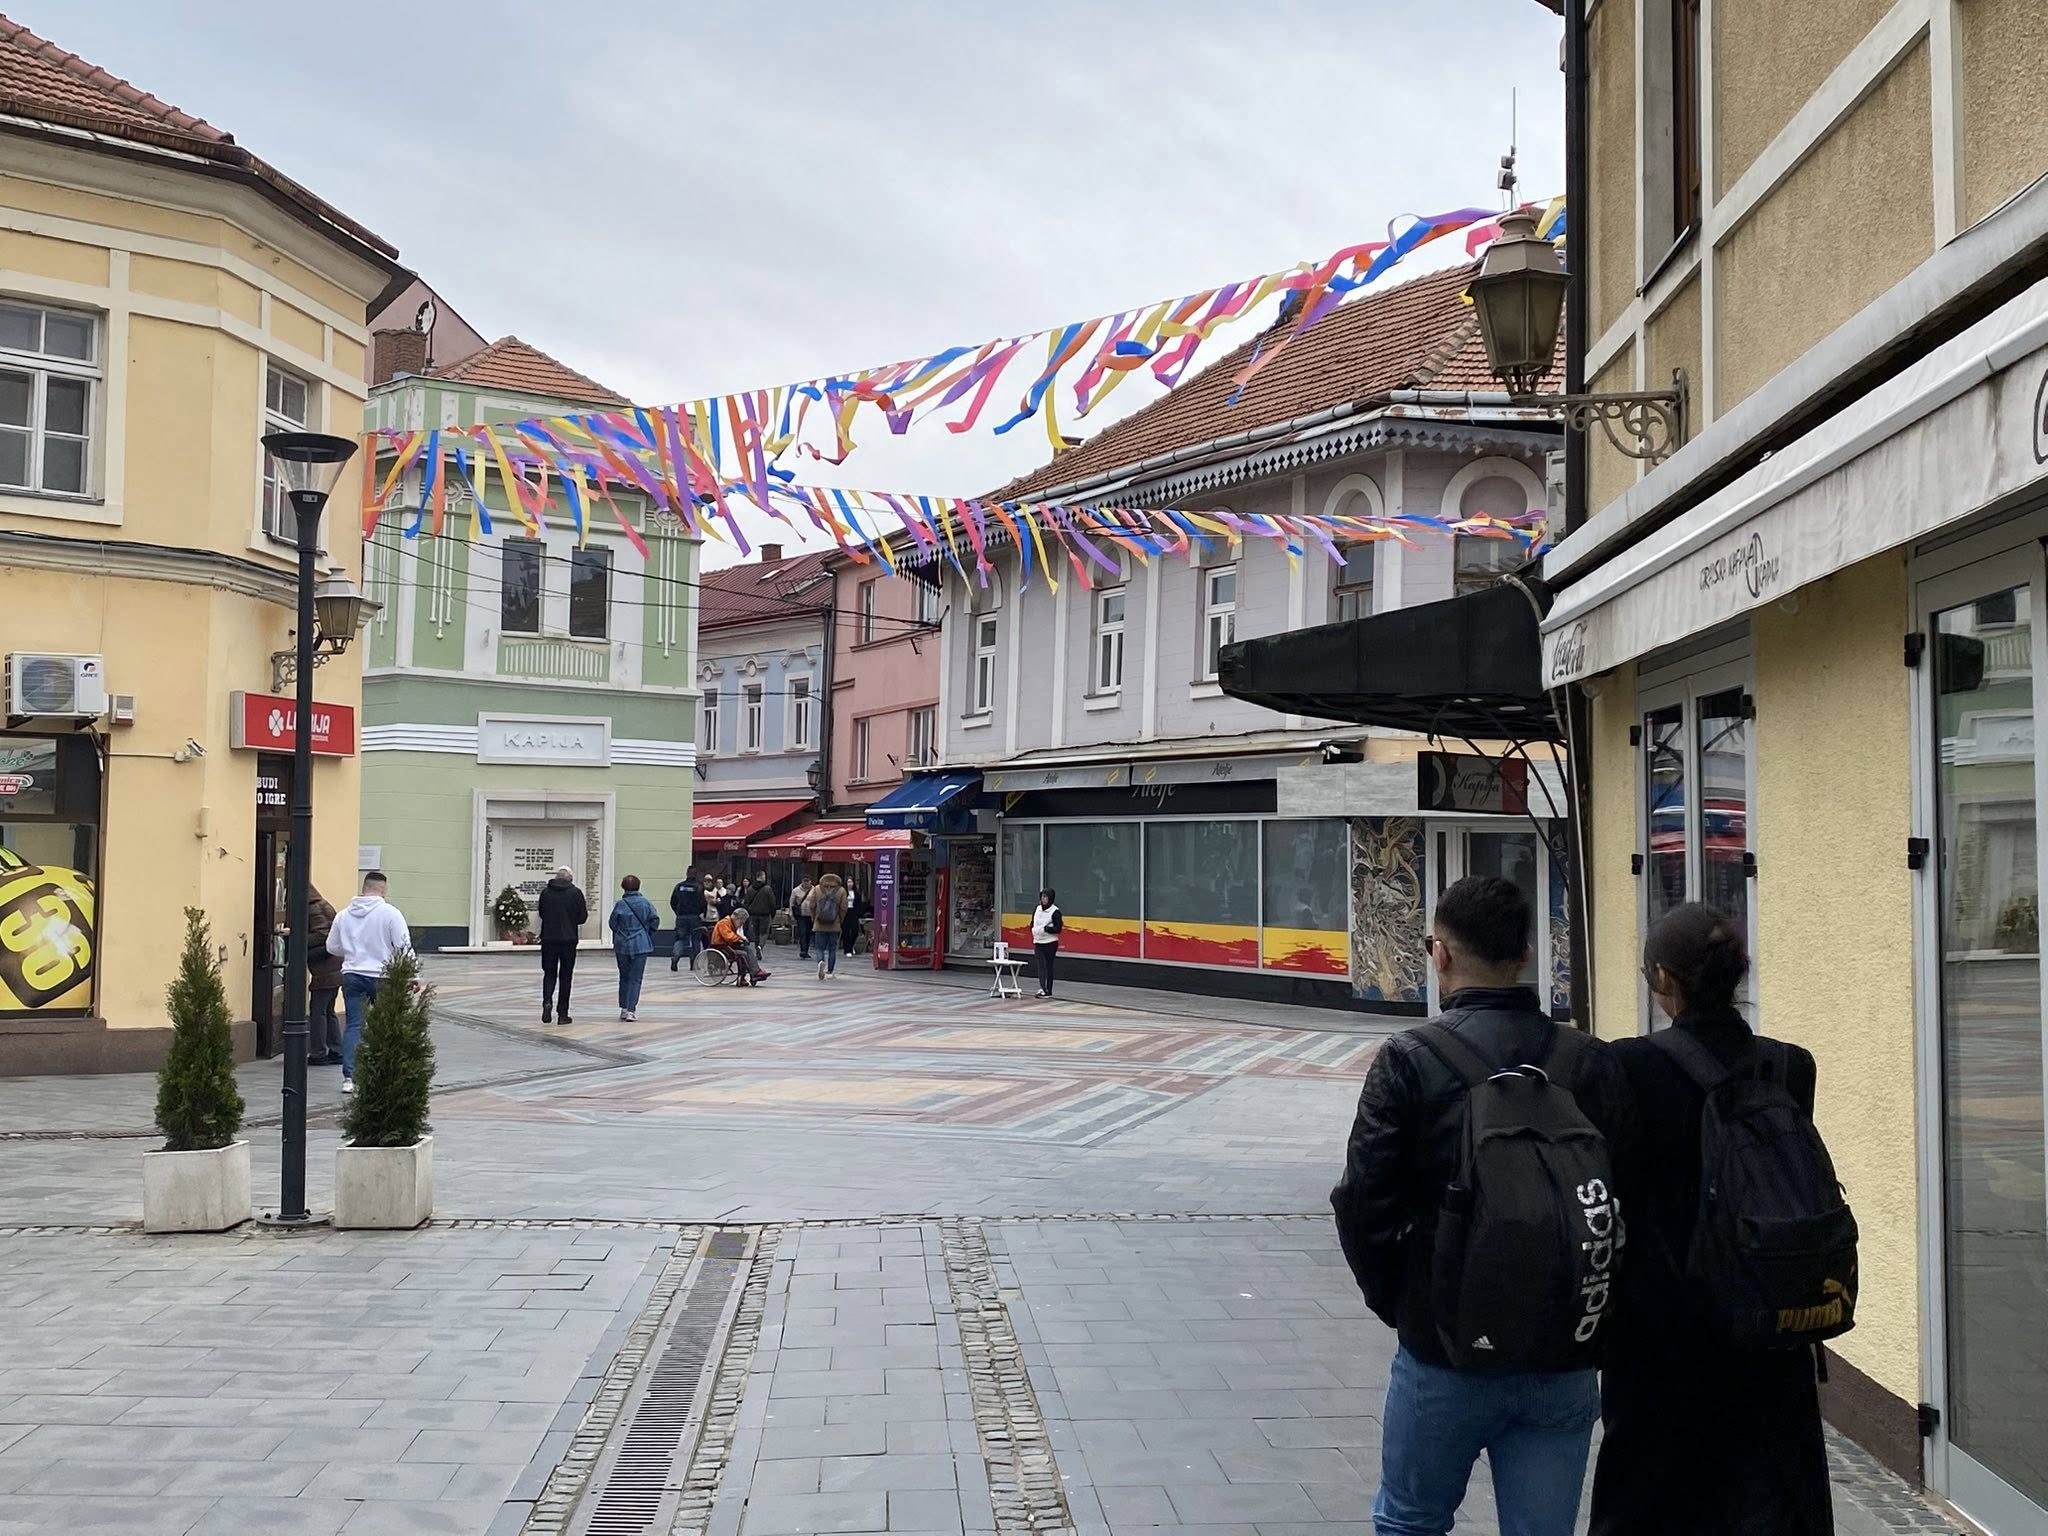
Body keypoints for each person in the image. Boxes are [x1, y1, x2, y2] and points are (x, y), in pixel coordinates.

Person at [1330, 875, 1632, 1536]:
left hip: (1445, 1350)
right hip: (1563, 1351)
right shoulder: (1588, 1061)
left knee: (1411, 1522)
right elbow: (1624, 1197)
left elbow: (1363, 1202)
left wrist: (1406, 1304)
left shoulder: (1410, 1059)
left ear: (1439, 954)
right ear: (1525, 952)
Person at [1590, 904, 1831, 1536]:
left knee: (1647, 1503)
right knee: (1768, 1502)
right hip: (1769, 1322)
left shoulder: (1625, 1067)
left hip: (1660, 1329)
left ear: (1663, 979)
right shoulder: (1790, 1066)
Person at [329, 870, 413, 1095]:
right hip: (383, 976)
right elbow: (403, 946)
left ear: (364, 887)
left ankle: (350, 1077)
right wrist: (412, 975)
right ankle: (385, 1073)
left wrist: (353, 952)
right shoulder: (391, 914)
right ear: (383, 890)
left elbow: (332, 947)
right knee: (387, 1024)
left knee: (354, 1025)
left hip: (352, 974)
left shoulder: (343, 915)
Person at [535, 865, 587, 1026]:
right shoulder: (575, 893)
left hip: (549, 939)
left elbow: (541, 913)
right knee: (566, 976)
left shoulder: (546, 892)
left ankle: (547, 1001)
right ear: (570, 879)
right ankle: (562, 1013)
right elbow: (582, 917)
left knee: (549, 973)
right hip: (568, 940)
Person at [609, 875, 661, 1021]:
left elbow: (612, 923)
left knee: (624, 976)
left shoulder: (620, 904)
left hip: (622, 944)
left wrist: (620, 932)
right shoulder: (646, 903)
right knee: (636, 978)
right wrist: (646, 932)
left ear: (623, 887)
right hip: (641, 944)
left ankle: (624, 1008)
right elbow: (655, 921)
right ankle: (631, 1010)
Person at [305, 884, 343, 1065]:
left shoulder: (313, 908)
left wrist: (297, 937)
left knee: (318, 1011)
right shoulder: (323, 904)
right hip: (335, 965)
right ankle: (336, 1050)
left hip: (325, 968)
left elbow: (322, 934)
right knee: (328, 1011)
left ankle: (318, 1053)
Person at [708, 907, 769, 985]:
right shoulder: (723, 923)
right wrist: (740, 938)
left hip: (727, 946)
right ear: (737, 918)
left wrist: (741, 940)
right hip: (721, 947)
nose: (741, 925)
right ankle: (743, 977)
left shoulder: (730, 924)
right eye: (741, 922)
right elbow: (729, 936)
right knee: (742, 954)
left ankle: (755, 972)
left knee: (747, 949)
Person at [807, 871, 848, 980]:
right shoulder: (841, 890)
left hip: (819, 923)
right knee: (832, 949)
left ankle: (820, 962)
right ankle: (830, 971)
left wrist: (814, 918)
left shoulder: (817, 889)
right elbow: (844, 908)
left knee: (819, 948)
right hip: (834, 924)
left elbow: (811, 905)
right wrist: (840, 920)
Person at [670, 868, 707, 972]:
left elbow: (673, 902)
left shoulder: (679, 886)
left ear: (687, 873)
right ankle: (693, 963)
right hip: (695, 917)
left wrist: (678, 912)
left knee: (680, 939)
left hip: (681, 917)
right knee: (695, 941)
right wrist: (702, 913)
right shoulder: (699, 887)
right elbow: (703, 903)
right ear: (696, 874)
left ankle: (675, 958)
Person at [1029, 888, 1062, 998]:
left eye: (1046, 897)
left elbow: (1058, 928)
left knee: (1048, 966)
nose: (1043, 899)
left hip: (1050, 942)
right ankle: (1043, 987)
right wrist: (1033, 929)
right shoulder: (1037, 909)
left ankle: (1048, 990)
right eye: (1042, 897)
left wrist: (1046, 929)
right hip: (1038, 941)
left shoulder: (1055, 912)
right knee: (1041, 966)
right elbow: (1033, 921)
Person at [792, 874, 815, 960]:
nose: (806, 883)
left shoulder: (814, 890)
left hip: (811, 915)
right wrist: (791, 914)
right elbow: (792, 902)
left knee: (808, 933)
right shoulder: (796, 890)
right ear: (802, 882)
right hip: (801, 915)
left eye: (808, 882)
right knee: (803, 932)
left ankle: (806, 950)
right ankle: (803, 950)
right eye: (805, 881)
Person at [843, 878, 866, 955]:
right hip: (845, 912)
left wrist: (860, 915)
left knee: (855, 931)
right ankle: (847, 950)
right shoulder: (843, 892)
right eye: (848, 882)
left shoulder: (856, 893)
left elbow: (859, 904)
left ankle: (851, 946)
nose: (850, 884)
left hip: (854, 912)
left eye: (851, 882)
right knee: (846, 931)